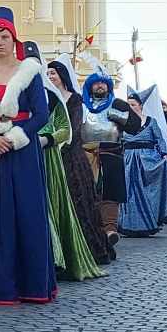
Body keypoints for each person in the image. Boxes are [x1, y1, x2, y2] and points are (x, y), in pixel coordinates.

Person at [0, 8, 56, 303]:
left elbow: (41, 115)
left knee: (25, 214)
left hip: (21, 154)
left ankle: (28, 285)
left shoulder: (29, 72)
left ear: (14, 39)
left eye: (4, 36)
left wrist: (12, 139)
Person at [27, 46, 104, 282]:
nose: (50, 76)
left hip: (58, 158)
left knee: (61, 205)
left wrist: (47, 139)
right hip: (25, 158)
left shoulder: (58, 98)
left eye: (53, 73)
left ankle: (61, 257)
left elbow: (67, 129)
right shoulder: (18, 92)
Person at [45, 60, 115, 266]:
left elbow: (74, 127)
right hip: (50, 155)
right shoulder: (46, 98)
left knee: (79, 201)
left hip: (71, 156)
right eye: (47, 73)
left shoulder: (74, 99)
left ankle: (86, 249)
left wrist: (59, 143)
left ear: (62, 76)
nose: (50, 77)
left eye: (53, 73)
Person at [116, 85, 167, 237]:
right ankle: (129, 224)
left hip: (147, 160)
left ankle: (148, 222)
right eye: (128, 105)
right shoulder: (122, 122)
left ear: (140, 106)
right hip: (128, 160)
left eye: (133, 104)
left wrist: (164, 154)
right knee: (130, 192)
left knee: (146, 193)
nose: (130, 107)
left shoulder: (151, 122)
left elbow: (159, 139)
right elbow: (117, 139)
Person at [81, 72, 141, 241]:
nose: (100, 86)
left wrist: (120, 117)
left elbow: (135, 126)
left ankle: (110, 229)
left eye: (104, 83)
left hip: (111, 154)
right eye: (96, 83)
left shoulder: (117, 104)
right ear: (90, 86)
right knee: (86, 193)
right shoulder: (81, 105)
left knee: (110, 194)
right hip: (86, 154)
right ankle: (89, 230)